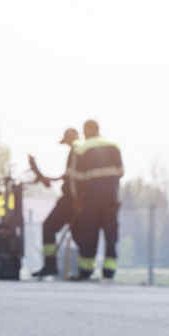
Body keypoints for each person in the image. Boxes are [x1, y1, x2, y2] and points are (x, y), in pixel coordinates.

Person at [67, 119, 124, 280]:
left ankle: (86, 270)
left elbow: (75, 179)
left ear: (85, 131)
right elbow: (120, 171)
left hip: (90, 199)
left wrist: (76, 199)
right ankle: (109, 270)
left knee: (89, 234)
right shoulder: (114, 146)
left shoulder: (81, 149)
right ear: (98, 129)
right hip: (111, 198)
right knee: (111, 234)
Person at [31, 127, 79, 279]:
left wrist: (50, 179)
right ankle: (52, 266)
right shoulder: (77, 151)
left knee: (49, 227)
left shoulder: (77, 151)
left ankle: (51, 265)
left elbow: (71, 176)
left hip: (72, 199)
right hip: (75, 199)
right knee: (77, 232)